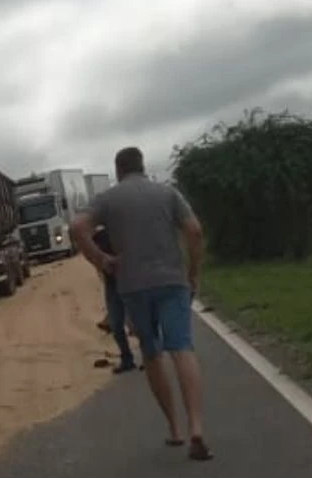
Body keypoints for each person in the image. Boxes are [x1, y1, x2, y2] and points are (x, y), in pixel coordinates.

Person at [71, 147, 213, 461]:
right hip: (172, 281)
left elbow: (77, 228)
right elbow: (195, 231)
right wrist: (193, 272)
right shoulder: (167, 193)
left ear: (118, 170)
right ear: (143, 167)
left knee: (151, 353)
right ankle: (197, 428)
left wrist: (102, 259)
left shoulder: (108, 200)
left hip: (133, 286)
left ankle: (175, 429)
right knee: (182, 349)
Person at [91, 224, 136, 374]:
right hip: (112, 282)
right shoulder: (96, 237)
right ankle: (127, 358)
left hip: (128, 277)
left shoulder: (120, 230)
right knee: (117, 324)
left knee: (135, 321)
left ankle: (151, 356)